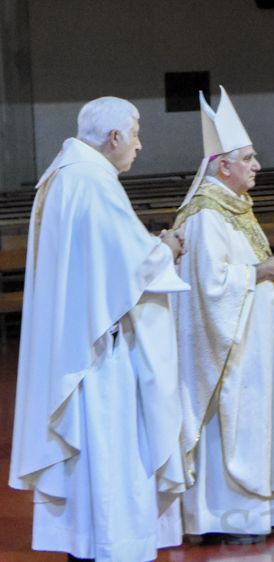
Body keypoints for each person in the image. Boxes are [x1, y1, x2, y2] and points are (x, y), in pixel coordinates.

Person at [9, 97, 189, 561]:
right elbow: (131, 263)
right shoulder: (91, 181)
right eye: (135, 135)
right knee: (110, 454)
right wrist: (166, 246)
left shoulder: (65, 173)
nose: (139, 146)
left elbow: (102, 257)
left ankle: (87, 544)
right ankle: (109, 547)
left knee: (90, 459)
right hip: (98, 354)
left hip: (76, 338)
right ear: (113, 138)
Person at [172, 86, 274, 543]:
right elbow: (206, 288)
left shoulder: (237, 208)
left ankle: (266, 510)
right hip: (228, 355)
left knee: (260, 422)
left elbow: (247, 271)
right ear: (223, 165)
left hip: (257, 346)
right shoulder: (204, 215)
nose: (257, 166)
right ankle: (228, 517)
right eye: (250, 158)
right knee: (234, 426)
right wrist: (260, 271)